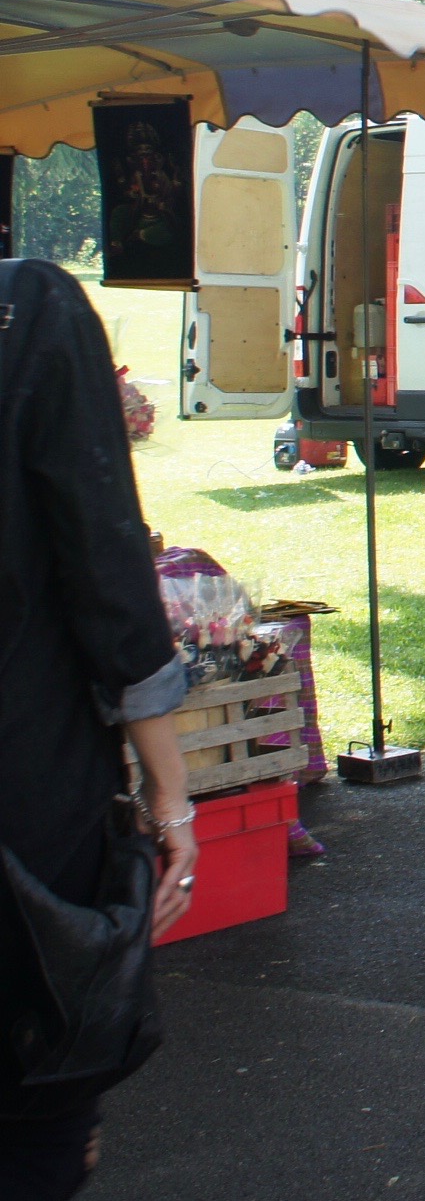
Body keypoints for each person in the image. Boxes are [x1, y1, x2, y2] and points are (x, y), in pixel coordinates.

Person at [2, 259, 198, 1193]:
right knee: (41, 1093)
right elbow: (104, 565)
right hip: (24, 776)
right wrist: (171, 796)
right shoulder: (28, 312)